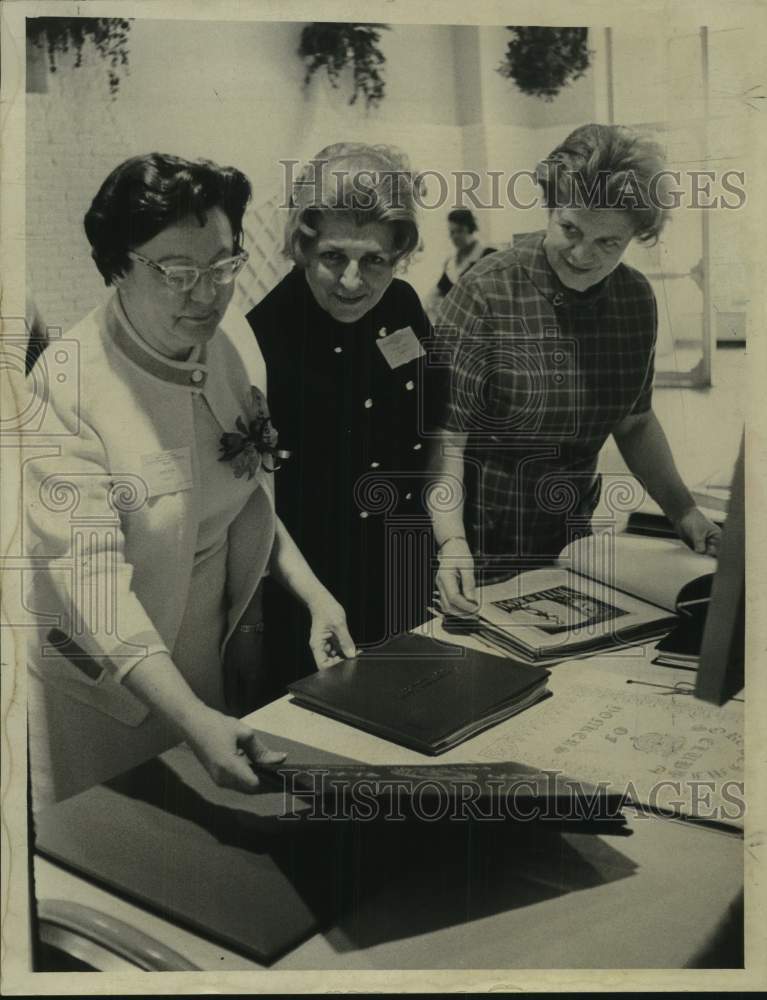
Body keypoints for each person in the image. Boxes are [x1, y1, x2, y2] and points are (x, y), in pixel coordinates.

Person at [25, 153, 355, 808]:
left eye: (224, 265)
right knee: (120, 844)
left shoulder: (227, 345)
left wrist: (314, 594)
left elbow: (240, 491)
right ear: (118, 263)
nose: (207, 293)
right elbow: (92, 586)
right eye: (178, 272)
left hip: (201, 656)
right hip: (107, 681)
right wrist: (192, 717)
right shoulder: (64, 391)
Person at [429, 124, 721, 615]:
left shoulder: (635, 300)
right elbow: (446, 440)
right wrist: (450, 542)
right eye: (571, 229)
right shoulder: (486, 291)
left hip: (573, 541)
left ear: (635, 238)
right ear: (550, 208)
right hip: (476, 539)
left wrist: (684, 510)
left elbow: (635, 422)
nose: (584, 255)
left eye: (610, 243)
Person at [247, 143, 438, 683]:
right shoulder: (260, 339)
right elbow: (251, 504)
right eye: (334, 257)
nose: (353, 282)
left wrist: (448, 541)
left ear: (398, 254)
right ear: (303, 246)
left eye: (374, 260)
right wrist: (311, 600)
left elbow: (432, 428)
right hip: (309, 599)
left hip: (404, 576)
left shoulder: (402, 306)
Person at [426, 208, 497, 317]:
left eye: (459, 231)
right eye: (452, 232)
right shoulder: (451, 264)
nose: (455, 237)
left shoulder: (489, 255)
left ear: (470, 228)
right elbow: (438, 291)